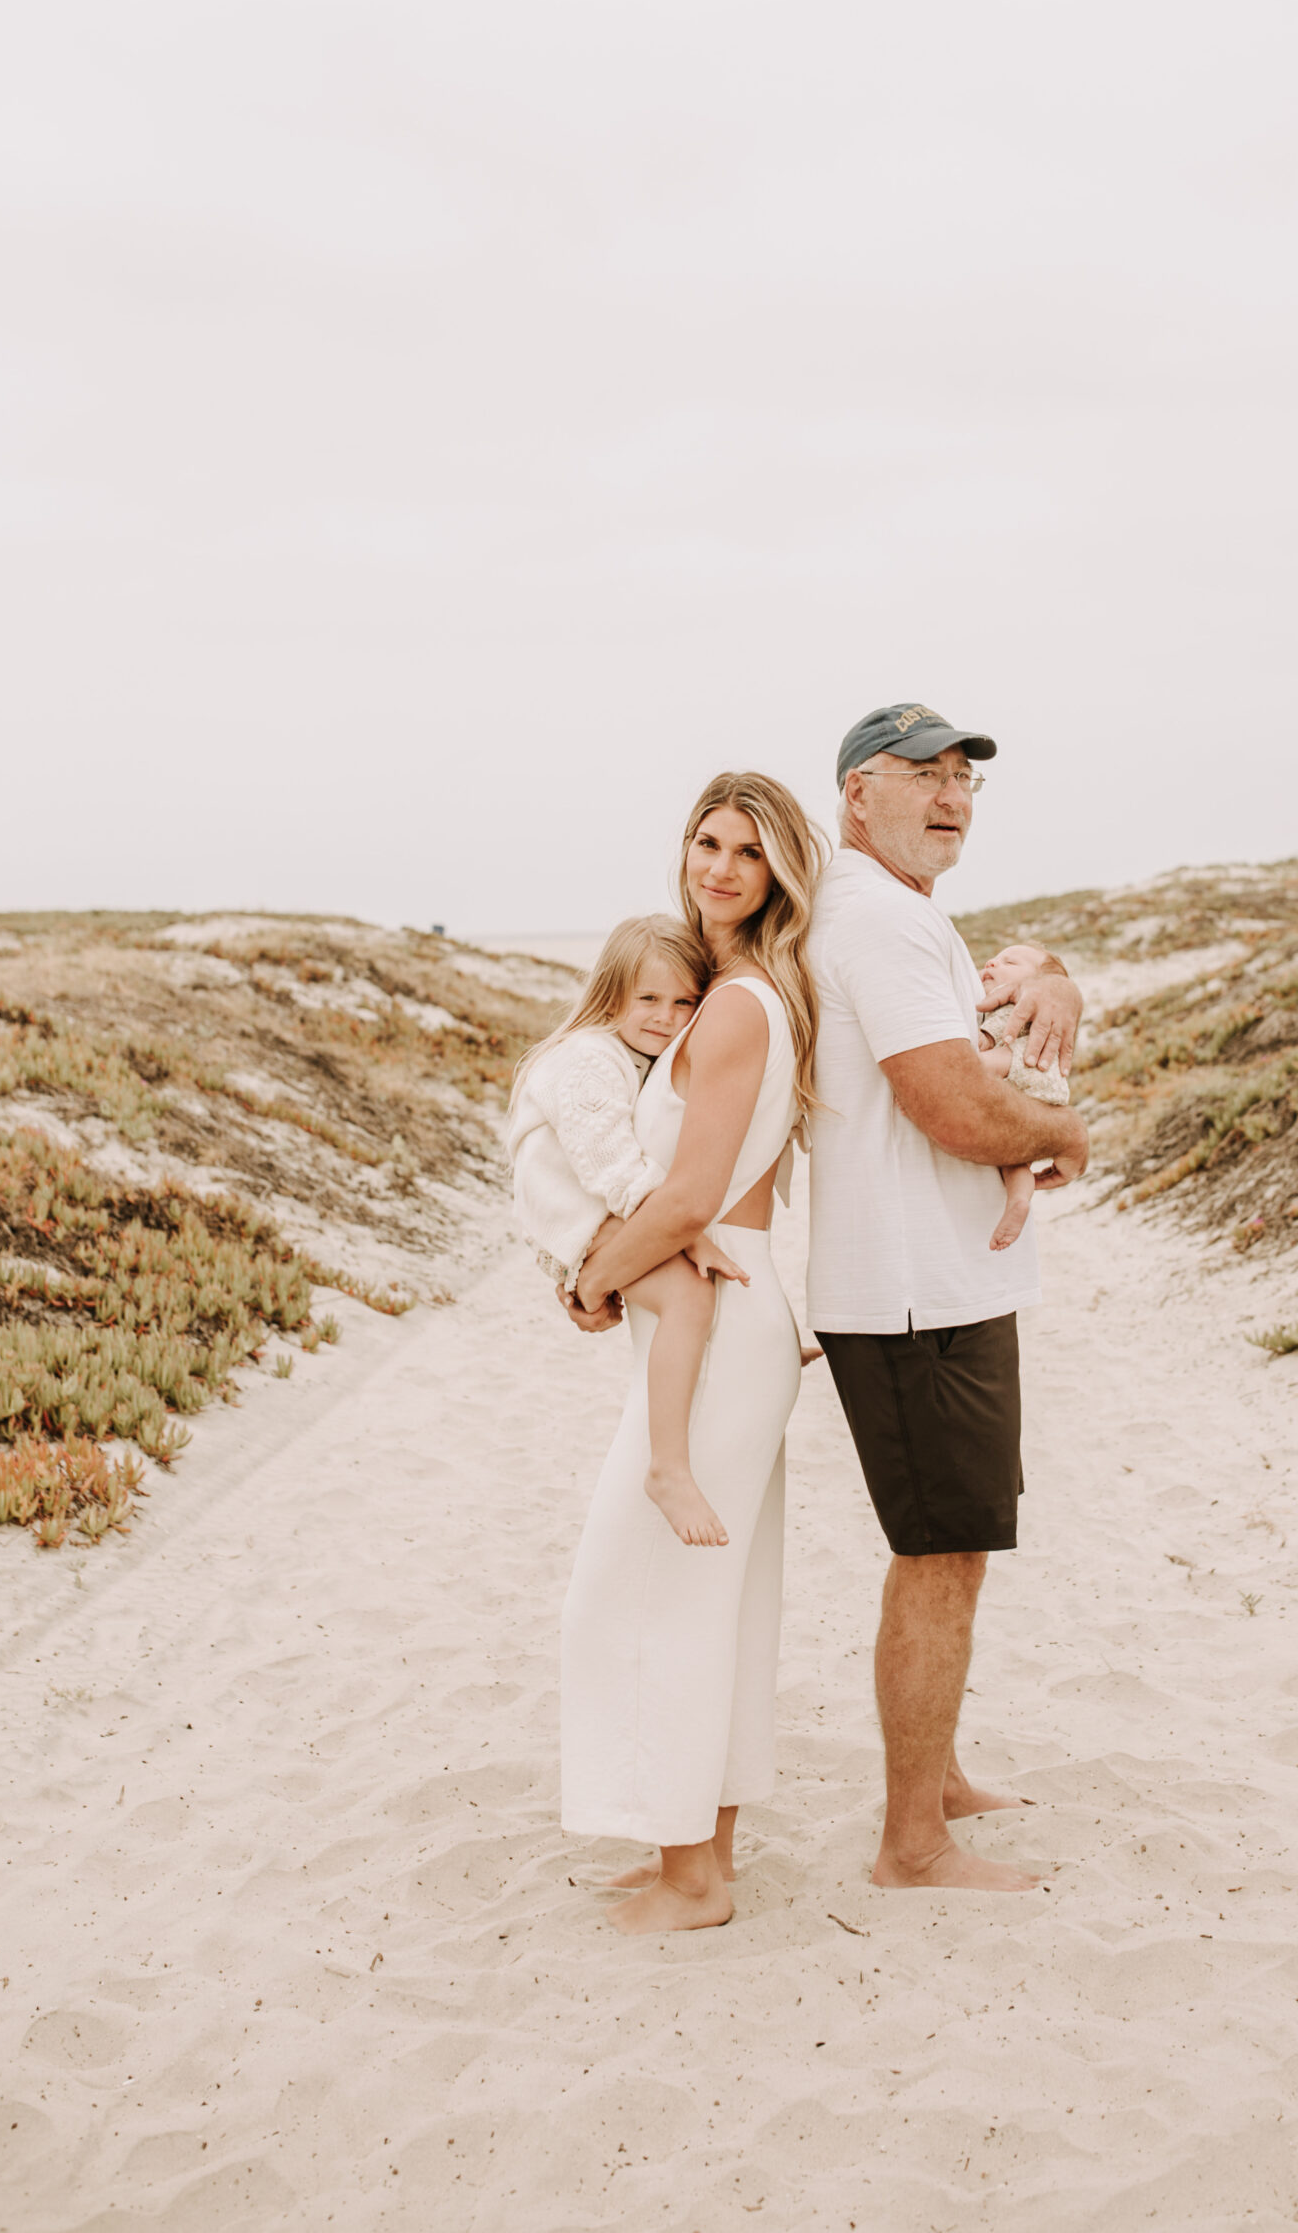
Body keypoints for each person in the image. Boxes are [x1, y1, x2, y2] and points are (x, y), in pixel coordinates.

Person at [806, 702, 1088, 1892]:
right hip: (913, 1296)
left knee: (957, 1550)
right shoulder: (873, 915)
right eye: (920, 774)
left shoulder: (904, 912)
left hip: (943, 1281)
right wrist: (1064, 1129)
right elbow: (955, 1105)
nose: (951, 795)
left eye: (966, 779)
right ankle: (912, 1843)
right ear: (855, 795)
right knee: (938, 1552)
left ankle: (940, 1778)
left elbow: (985, 1035)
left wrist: (1060, 978)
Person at [557, 772, 827, 1935]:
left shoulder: (735, 1008)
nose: (717, 868)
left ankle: (691, 1879)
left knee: (642, 1585)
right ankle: (698, 1856)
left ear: (778, 874)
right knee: (711, 1591)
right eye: (704, 841)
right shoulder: (748, 990)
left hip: (723, 1304)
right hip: (732, 1307)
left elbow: (692, 1196)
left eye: (746, 853)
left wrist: (592, 1274)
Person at [506, 914, 749, 1547]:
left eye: (683, 1003)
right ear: (612, 994)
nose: (665, 1017)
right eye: (647, 999)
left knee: (697, 1295)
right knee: (688, 1294)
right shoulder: (587, 1059)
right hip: (578, 1212)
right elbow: (611, 1163)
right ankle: (667, 1467)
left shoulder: (631, 1055)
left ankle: (748, 1346)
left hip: (598, 1208)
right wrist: (686, 1232)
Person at [977, 941, 1079, 1253]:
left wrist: (973, 1045)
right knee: (1013, 1156)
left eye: (1010, 961)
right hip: (1042, 1087)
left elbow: (988, 1039)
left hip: (1022, 1065)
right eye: (994, 957)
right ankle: (1019, 1199)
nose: (993, 962)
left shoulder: (1012, 1004)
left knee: (978, 1063)